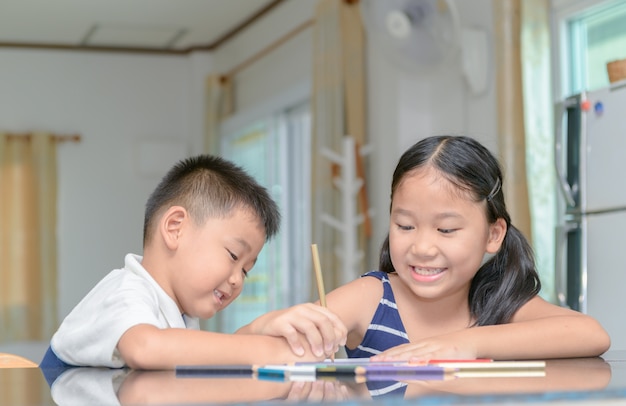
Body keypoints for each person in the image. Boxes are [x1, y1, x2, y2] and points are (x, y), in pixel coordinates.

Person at [256, 135, 610, 365]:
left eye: (446, 229)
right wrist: (271, 324)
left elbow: (591, 334)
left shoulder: (495, 302)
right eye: (405, 226)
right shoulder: (372, 298)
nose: (422, 247)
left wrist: (464, 344)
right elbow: (253, 352)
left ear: (493, 234)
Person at [41, 154, 346, 370]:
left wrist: (261, 326)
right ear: (176, 228)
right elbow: (146, 348)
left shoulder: (177, 312)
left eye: (246, 271)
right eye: (232, 256)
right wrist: (273, 350)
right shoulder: (126, 291)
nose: (237, 279)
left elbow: (207, 352)